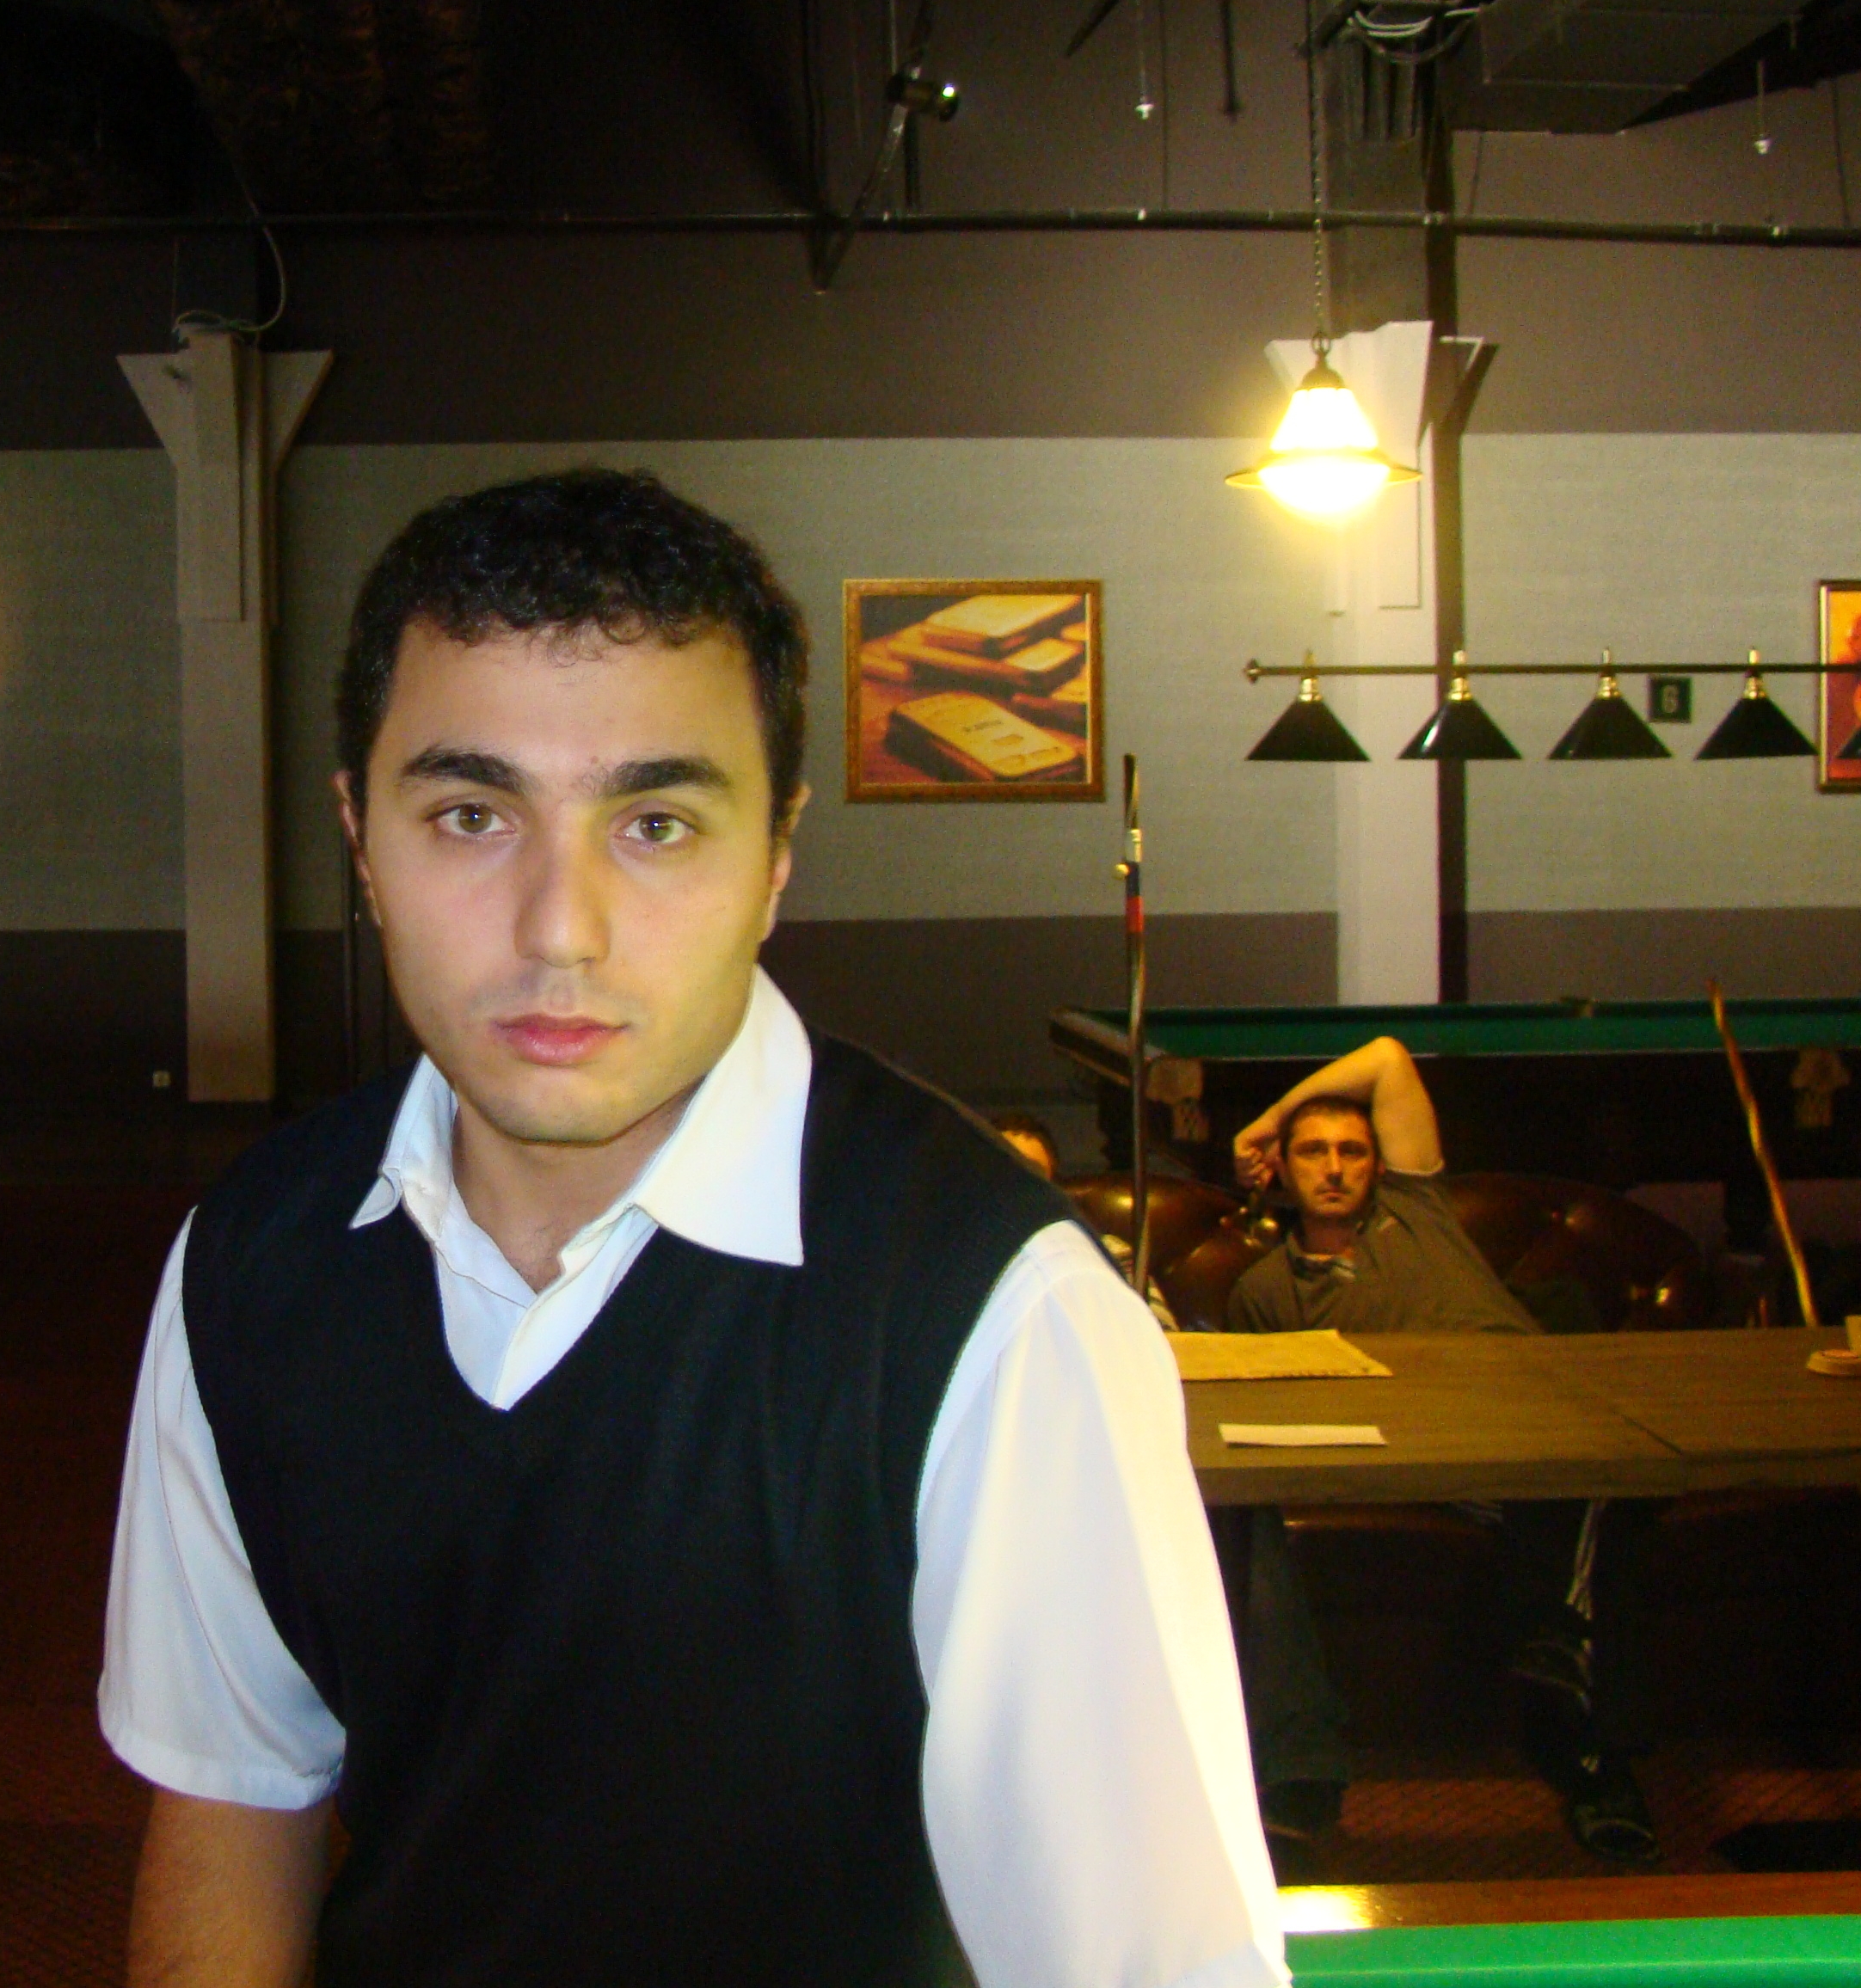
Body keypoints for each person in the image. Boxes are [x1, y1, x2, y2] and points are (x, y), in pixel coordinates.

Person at [101, 470, 1282, 1986]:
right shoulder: (252, 1260)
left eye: (655, 823)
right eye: (471, 815)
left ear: (776, 855)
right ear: (360, 837)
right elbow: (231, 1802)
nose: (559, 927)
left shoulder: (993, 1318)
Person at [1222, 1038, 1660, 1867]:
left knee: (1618, 1461)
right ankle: (1569, 1680)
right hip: (1425, 1453)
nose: (1335, 1168)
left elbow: (1388, 1059)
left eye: (1352, 1151)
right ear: (1282, 1174)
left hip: (1535, 1408)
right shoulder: (1266, 1291)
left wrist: (1270, 1118)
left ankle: (1578, 1704)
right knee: (1598, 1481)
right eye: (1311, 1152)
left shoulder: (1417, 1208)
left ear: (1380, 1167)